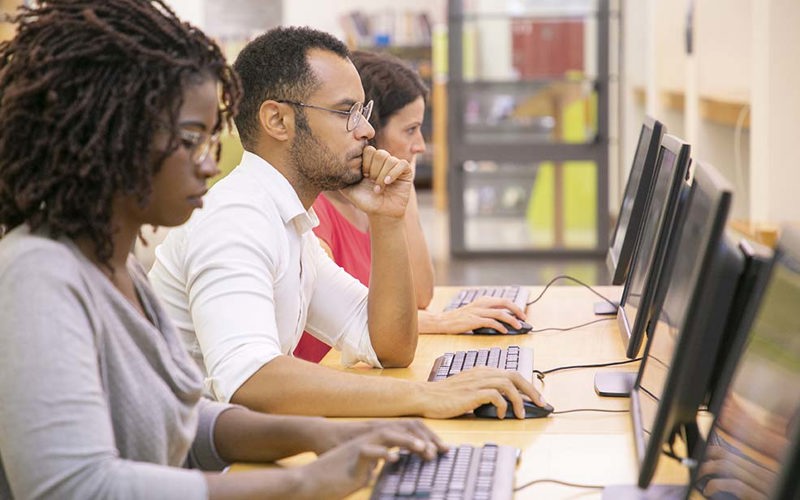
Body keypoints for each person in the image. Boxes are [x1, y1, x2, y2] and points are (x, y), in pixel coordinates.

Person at [0, 2, 446, 498]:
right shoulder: (37, 275)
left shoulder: (115, 267)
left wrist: (323, 433)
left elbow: (183, 422)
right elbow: (76, 487)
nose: (209, 164)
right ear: (114, 139)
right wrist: (304, 479)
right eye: (192, 139)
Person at [148, 25, 546, 419]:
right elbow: (249, 380)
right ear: (278, 120)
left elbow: (388, 344)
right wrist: (426, 396)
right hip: (200, 471)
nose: (367, 131)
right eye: (346, 113)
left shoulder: (290, 222)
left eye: (363, 112)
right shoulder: (236, 219)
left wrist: (386, 220)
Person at [294, 50, 529, 363]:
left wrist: (406, 192)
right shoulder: (317, 216)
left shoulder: (368, 209)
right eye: (409, 130)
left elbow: (419, 296)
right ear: (369, 134)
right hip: (332, 381)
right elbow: (351, 325)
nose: (420, 144)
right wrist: (446, 321)